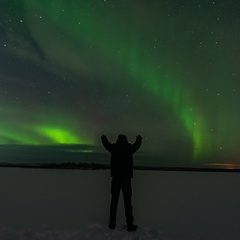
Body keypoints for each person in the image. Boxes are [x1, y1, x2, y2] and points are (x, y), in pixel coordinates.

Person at [101, 134, 142, 231]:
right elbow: (137, 145)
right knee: (127, 202)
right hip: (126, 180)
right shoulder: (129, 148)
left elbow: (106, 145)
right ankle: (130, 224)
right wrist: (139, 139)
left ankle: (112, 222)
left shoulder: (114, 148)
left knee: (114, 201)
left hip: (116, 179)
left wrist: (104, 138)